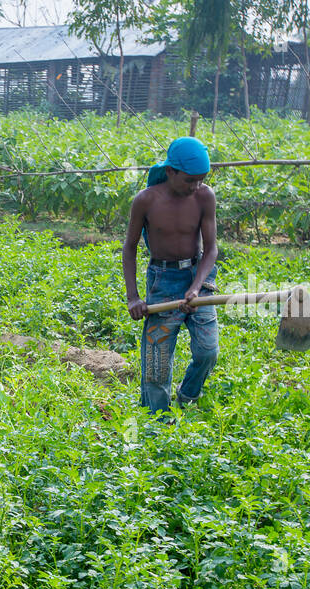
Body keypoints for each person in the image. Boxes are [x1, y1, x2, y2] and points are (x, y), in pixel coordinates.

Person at [122, 136, 219, 414]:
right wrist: (133, 298)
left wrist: (196, 288)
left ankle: (188, 394)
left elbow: (211, 249)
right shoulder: (146, 201)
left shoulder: (204, 197)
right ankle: (158, 418)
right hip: (163, 280)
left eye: (201, 179)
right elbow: (129, 249)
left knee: (207, 351)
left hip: (198, 275)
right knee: (157, 360)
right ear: (170, 172)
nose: (196, 186)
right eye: (189, 180)